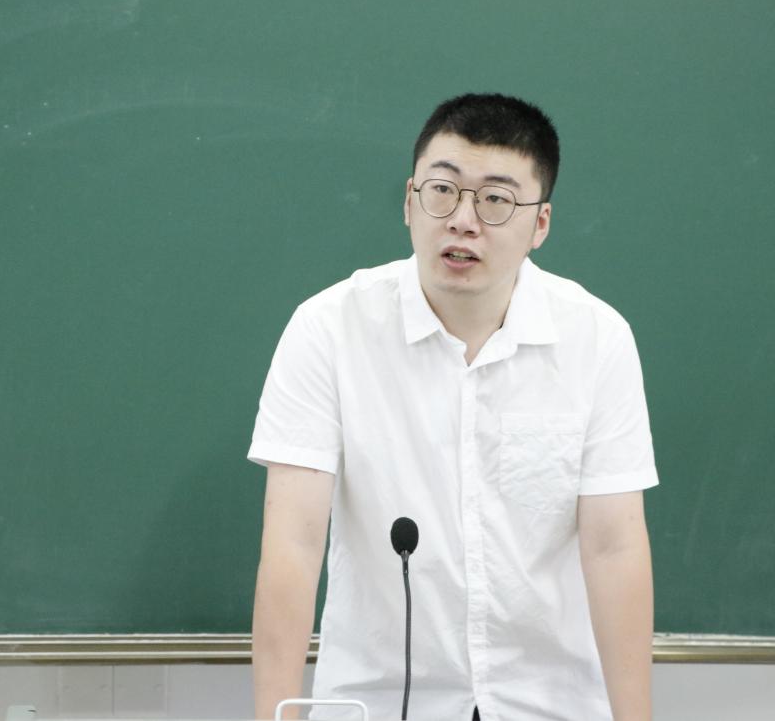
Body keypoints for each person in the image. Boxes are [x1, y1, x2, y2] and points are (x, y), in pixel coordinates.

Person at [248, 93, 657, 721]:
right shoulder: (329, 329)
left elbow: (613, 549)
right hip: (379, 702)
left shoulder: (596, 339)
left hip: (548, 702)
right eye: (443, 191)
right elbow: (293, 546)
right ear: (410, 201)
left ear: (540, 224)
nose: (463, 221)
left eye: (496, 200)